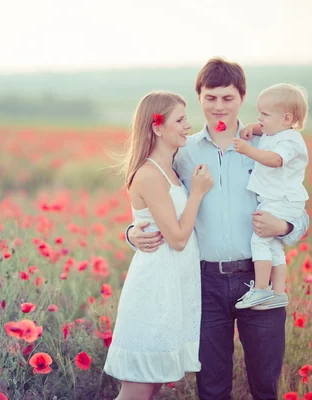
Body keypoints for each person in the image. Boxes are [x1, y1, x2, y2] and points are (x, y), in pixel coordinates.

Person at [126, 58, 310, 400]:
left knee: (265, 386)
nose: (219, 106)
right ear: (199, 98)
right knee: (211, 388)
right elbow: (157, 199)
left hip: (259, 279)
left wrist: (284, 225)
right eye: (210, 98)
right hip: (204, 284)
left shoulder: (269, 147)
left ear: (242, 97)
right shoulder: (183, 151)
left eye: (227, 98)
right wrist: (132, 232)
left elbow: (298, 210)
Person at [103, 91, 214, 400]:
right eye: (179, 120)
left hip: (169, 287)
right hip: (153, 291)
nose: (187, 125)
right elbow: (177, 239)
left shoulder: (172, 168)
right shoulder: (150, 174)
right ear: (157, 127)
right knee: (137, 390)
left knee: (150, 387)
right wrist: (198, 193)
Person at [232, 83, 309, 310]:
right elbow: (264, 130)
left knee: (260, 240)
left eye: (265, 114)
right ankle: (277, 292)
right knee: (273, 246)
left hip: (283, 199)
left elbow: (275, 159)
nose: (260, 119)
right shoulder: (275, 131)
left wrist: (248, 150)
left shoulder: (290, 141)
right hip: (276, 198)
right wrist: (252, 128)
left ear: (286, 119)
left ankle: (262, 289)